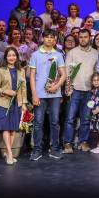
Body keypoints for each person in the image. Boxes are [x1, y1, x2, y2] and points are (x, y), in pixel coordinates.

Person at [28, 29, 67, 161]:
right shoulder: (35, 55)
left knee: (55, 122)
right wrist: (34, 94)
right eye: (47, 37)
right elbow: (32, 76)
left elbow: (64, 74)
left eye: (52, 37)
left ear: (55, 40)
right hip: (39, 93)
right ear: (42, 39)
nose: (49, 39)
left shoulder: (58, 54)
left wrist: (56, 87)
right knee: (38, 122)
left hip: (55, 94)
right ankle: (37, 149)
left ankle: (54, 148)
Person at [62, 29, 99, 154]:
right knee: (70, 118)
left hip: (89, 90)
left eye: (85, 37)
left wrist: (96, 88)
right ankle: (67, 143)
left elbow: (97, 71)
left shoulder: (95, 53)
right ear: (78, 38)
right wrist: (68, 87)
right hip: (75, 89)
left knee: (86, 118)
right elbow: (68, 71)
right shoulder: (72, 53)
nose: (83, 39)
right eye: (81, 37)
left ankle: (83, 141)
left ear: (90, 38)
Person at [0, 46, 28, 164]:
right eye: (9, 56)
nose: (11, 57)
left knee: (13, 129)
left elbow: (23, 89)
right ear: (6, 57)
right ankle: (10, 153)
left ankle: (8, 152)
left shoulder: (21, 70)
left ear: (17, 57)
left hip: (16, 104)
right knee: (6, 128)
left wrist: (24, 103)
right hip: (3, 103)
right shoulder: (1, 70)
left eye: (13, 55)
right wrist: (5, 91)